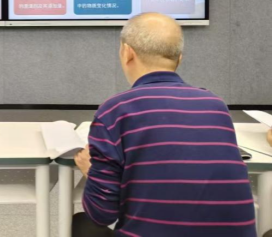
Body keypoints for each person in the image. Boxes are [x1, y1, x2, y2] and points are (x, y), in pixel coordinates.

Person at [73, 13, 255, 237]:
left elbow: (102, 214)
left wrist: (90, 171)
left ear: (127, 52)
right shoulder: (216, 105)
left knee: (82, 225)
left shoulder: (114, 111)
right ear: (179, 58)